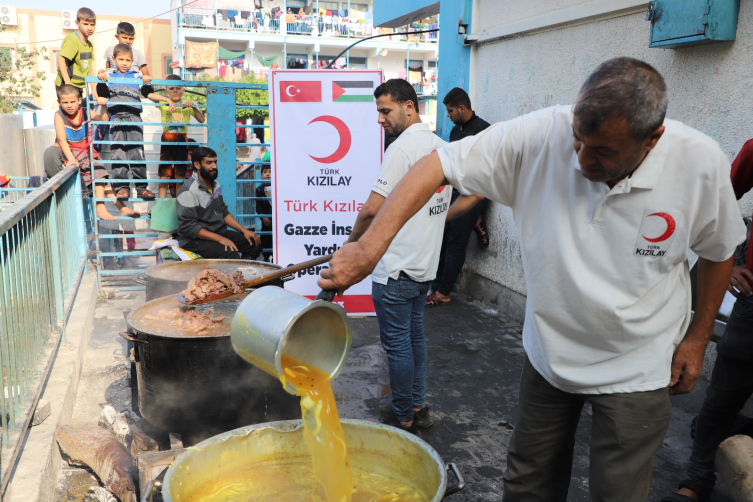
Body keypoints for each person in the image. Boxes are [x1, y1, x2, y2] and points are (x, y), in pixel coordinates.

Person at [319, 57, 747, 500]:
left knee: (618, 493)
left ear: (652, 139)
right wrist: (368, 250)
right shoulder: (543, 134)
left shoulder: (699, 163)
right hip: (550, 355)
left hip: (639, 364)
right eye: (579, 141)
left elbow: (718, 252)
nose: (582, 159)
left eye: (602, 152)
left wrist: (697, 338)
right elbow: (435, 166)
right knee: (527, 485)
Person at [347, 79, 451, 434]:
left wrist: (352, 247)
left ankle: (404, 415)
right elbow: (470, 195)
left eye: (385, 110)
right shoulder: (441, 147)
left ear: (410, 106)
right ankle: (418, 405)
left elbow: (371, 211)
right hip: (424, 266)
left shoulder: (402, 150)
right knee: (414, 339)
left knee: (398, 346)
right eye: (378, 111)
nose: (380, 119)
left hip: (395, 269)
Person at [664, 138, 753, 502]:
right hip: (751, 310)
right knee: (721, 400)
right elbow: (715, 210)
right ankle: (695, 483)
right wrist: (731, 261)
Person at [427, 87, 491, 307]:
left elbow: (489, 168)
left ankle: (443, 292)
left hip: (473, 192)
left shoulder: (484, 130)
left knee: (456, 242)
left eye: (450, 110)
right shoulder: (455, 131)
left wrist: (478, 203)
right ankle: (436, 285)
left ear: (462, 108)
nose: (448, 115)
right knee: (442, 236)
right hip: (454, 191)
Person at [43, 84, 138, 220]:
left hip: (85, 151)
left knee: (100, 172)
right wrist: (71, 160)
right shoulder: (59, 115)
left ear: (79, 100)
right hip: (70, 151)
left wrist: (103, 106)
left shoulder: (85, 111)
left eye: (72, 102)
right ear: (59, 103)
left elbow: (104, 120)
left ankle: (119, 208)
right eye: (65, 102)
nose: (69, 105)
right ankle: (104, 207)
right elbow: (62, 140)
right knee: (98, 172)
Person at [96, 44, 165, 200]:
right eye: (121, 59)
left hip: (134, 117)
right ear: (113, 59)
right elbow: (103, 94)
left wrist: (147, 81)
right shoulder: (108, 75)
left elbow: (147, 93)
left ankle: (141, 187)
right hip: (116, 117)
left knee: (136, 153)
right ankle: (122, 187)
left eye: (128, 60)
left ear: (132, 61)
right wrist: (101, 80)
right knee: (118, 153)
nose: (124, 63)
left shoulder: (135, 76)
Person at [176, 146, 262, 259]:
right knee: (231, 254)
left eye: (215, 162)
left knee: (254, 244)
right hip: (193, 240)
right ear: (197, 165)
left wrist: (244, 231)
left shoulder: (214, 184)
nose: (214, 166)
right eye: (209, 163)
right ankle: (232, 275)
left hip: (217, 232)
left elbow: (224, 213)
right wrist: (220, 239)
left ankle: (243, 274)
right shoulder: (188, 190)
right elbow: (189, 228)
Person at [157, 74, 205, 199]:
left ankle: (178, 202)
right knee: (164, 175)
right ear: (166, 90)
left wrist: (193, 106)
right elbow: (149, 95)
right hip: (167, 140)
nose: (175, 91)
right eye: (171, 88)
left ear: (183, 90)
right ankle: (161, 203)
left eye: (178, 88)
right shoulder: (164, 103)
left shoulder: (187, 106)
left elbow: (201, 119)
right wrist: (167, 100)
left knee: (180, 174)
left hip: (182, 141)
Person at [54, 7, 98, 102]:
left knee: (79, 115)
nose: (89, 28)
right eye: (85, 24)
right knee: (69, 115)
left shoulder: (89, 45)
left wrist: (94, 89)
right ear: (77, 23)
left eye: (92, 24)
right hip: (66, 85)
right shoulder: (73, 40)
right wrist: (68, 83)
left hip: (78, 87)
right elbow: (61, 59)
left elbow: (89, 67)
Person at [255, 164, 273, 261]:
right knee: (266, 238)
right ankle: (266, 257)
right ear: (261, 174)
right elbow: (258, 206)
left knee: (276, 237)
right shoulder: (259, 189)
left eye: (270, 171)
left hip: (276, 219)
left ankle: (275, 256)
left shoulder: (277, 187)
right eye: (265, 172)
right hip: (265, 220)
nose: (268, 174)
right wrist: (264, 217)